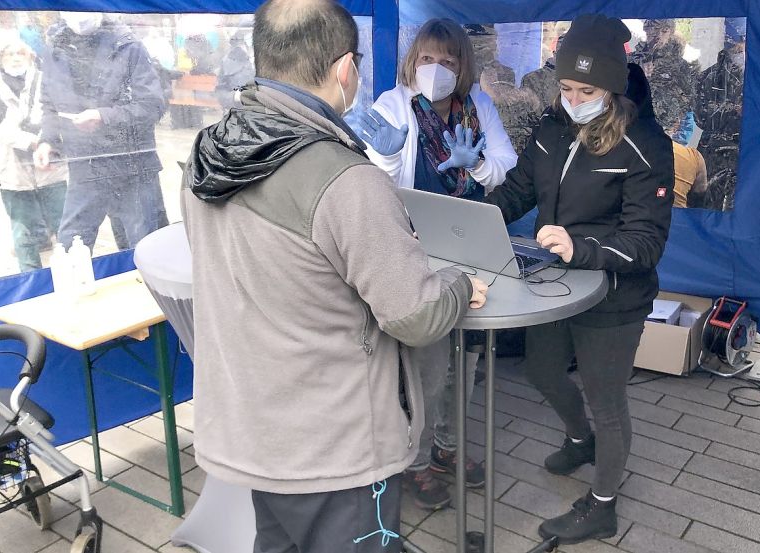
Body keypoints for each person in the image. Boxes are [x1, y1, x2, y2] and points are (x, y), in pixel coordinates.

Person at [180, 1, 488, 551]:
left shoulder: (210, 153)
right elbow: (416, 315)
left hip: (255, 429)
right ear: (347, 69)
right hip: (336, 452)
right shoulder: (345, 180)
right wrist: (460, 285)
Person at [484, 14, 674, 545]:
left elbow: (646, 241)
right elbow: (520, 188)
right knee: (542, 370)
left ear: (613, 88)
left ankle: (603, 504)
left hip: (615, 295)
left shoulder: (646, 146)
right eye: (565, 87)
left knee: (605, 397)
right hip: (558, 285)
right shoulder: (551, 128)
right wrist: (474, 216)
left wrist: (583, 247)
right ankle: (579, 438)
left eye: (586, 89)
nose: (572, 98)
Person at [348, 18, 517, 510]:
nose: (436, 70)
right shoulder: (392, 105)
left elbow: (503, 165)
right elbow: (371, 178)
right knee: (427, 363)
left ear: (463, 65)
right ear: (412, 62)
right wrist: (388, 154)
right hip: (411, 250)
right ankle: (415, 462)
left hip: (466, 248)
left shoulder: (478, 107)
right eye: (427, 60)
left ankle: (446, 446)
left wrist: (476, 164)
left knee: (465, 360)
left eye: (447, 61)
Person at [35, 12, 168, 251]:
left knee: (145, 249)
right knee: (70, 247)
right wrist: (47, 140)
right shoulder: (54, 48)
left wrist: (103, 116)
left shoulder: (127, 45)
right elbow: (49, 104)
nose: (80, 13)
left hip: (133, 166)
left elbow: (152, 105)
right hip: (85, 165)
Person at [0, 38, 68, 272]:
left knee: (65, 228)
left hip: (51, 171)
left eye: (21, 53)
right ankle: (31, 282)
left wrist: (47, 141)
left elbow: (55, 115)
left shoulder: (44, 80)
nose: (16, 58)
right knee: (23, 234)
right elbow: (3, 130)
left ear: (30, 57)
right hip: (13, 174)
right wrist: (37, 142)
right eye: (9, 54)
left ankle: (70, 274)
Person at [624, 61, 707, 208]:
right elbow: (700, 201)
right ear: (677, 121)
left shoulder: (616, 151)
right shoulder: (693, 158)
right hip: (678, 226)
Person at [693, 17, 746, 211]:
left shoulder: (706, 75)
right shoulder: (755, 79)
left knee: (706, 210)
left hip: (709, 153)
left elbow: (699, 118)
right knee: (736, 214)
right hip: (743, 153)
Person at [629, 19, 699, 144]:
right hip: (633, 134)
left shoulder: (680, 66)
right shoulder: (631, 61)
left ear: (671, 32)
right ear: (646, 30)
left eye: (664, 31)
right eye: (653, 30)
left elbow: (689, 107)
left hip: (667, 137)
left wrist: (678, 142)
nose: (658, 36)